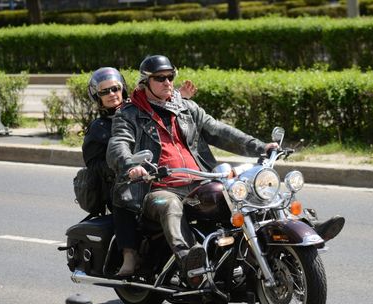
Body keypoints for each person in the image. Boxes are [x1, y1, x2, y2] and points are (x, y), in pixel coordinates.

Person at [106, 55, 279, 287]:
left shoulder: (186, 108)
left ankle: (280, 238)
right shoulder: (128, 114)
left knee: (243, 193)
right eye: (160, 78)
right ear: (145, 82)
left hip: (200, 183)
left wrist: (261, 146)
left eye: (170, 77)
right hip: (157, 187)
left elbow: (219, 131)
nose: (168, 82)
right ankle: (190, 261)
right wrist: (131, 165)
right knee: (169, 204)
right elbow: (118, 145)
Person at [82, 66, 197, 277]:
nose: (111, 94)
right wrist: (122, 167)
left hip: (151, 176)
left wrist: (180, 97)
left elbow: (158, 101)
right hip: (119, 180)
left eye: (115, 89)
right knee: (124, 192)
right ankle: (129, 255)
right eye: (104, 92)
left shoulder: (134, 111)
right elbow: (93, 164)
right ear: (97, 97)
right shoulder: (98, 128)